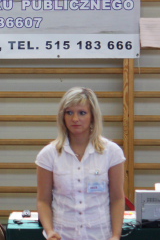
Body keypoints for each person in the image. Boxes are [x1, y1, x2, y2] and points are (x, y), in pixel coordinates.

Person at [36, 87, 125, 240]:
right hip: (63, 235)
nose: (75, 119)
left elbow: (117, 198)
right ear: (63, 117)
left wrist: (116, 235)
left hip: (100, 235)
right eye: (69, 113)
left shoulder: (112, 152)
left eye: (82, 113)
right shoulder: (48, 154)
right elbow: (43, 200)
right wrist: (50, 231)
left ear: (93, 116)